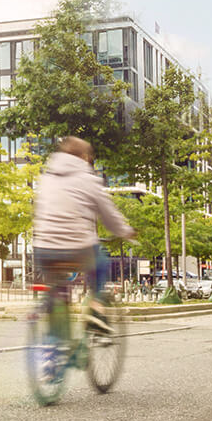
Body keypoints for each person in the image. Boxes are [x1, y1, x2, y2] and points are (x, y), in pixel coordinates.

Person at [31, 137, 135, 325]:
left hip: (43, 249)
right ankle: (94, 309)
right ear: (84, 157)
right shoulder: (89, 179)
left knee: (58, 291)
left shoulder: (45, 179)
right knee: (102, 260)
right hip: (78, 248)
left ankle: (54, 335)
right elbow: (109, 216)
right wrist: (125, 231)